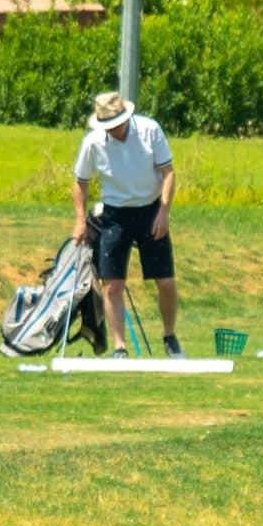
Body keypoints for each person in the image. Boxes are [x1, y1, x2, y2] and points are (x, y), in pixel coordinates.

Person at [70, 91, 182, 356]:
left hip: (151, 210)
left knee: (165, 281)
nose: (114, 130)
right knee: (112, 285)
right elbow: (80, 182)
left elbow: (168, 173)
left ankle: (169, 336)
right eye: (108, 126)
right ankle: (120, 347)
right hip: (114, 214)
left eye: (117, 124)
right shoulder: (93, 142)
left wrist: (163, 212)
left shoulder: (149, 130)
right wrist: (79, 221)